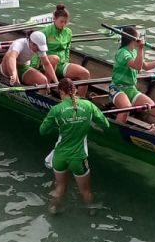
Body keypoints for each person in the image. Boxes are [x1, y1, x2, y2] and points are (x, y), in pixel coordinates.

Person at [39, 76, 109, 213]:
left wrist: (58, 124)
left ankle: (53, 209)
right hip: (78, 157)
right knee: (86, 191)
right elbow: (105, 124)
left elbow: (42, 131)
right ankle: (91, 211)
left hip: (59, 157)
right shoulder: (89, 106)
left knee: (60, 188)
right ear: (76, 90)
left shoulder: (56, 109)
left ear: (61, 92)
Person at [109, 25, 155, 124]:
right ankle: (115, 133)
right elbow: (137, 66)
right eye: (139, 37)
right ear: (132, 39)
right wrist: (141, 49)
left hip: (131, 89)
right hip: (117, 88)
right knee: (126, 109)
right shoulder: (122, 52)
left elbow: (146, 66)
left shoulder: (134, 52)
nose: (141, 39)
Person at [41, 5, 94, 89]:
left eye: (66, 22)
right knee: (55, 58)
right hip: (46, 63)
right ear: (54, 19)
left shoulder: (68, 32)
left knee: (85, 73)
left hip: (61, 64)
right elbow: (36, 49)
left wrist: (66, 63)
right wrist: (34, 67)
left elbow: (67, 50)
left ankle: (79, 100)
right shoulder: (45, 31)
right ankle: (42, 90)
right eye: (61, 21)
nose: (63, 24)